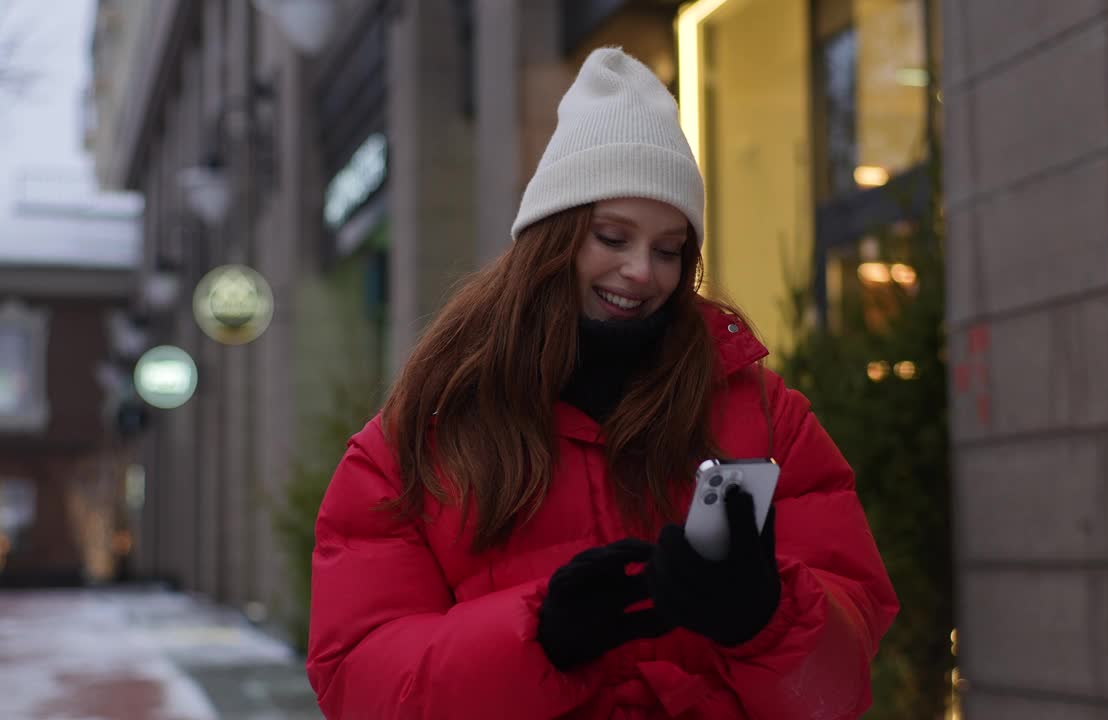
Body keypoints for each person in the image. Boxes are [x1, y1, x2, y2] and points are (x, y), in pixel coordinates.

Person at [305, 47, 898, 719]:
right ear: (550, 241)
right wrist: (538, 639)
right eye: (612, 237)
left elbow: (841, 678)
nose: (642, 271)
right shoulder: (420, 437)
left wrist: (765, 617)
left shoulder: (766, 415)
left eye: (669, 249)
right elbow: (356, 680)